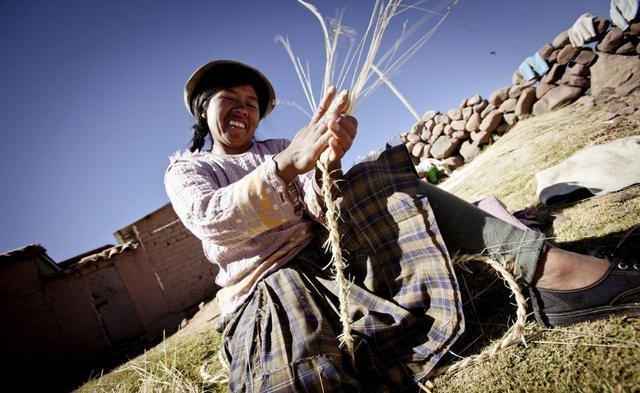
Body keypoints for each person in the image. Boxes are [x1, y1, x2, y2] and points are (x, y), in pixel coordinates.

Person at [165, 60, 640, 392]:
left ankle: (550, 272)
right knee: (308, 373)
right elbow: (214, 220)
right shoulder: (188, 170)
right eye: (230, 100)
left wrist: (329, 163)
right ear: (204, 110)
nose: (242, 110)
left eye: (251, 103)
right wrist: (290, 164)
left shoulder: (278, 147)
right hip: (269, 283)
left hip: (333, 264)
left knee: (372, 177)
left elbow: (317, 207)